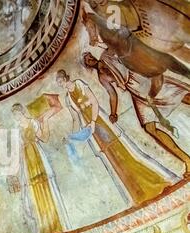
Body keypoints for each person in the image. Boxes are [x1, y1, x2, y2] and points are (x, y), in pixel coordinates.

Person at [56, 69, 170, 205]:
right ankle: (136, 193)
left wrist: (93, 122)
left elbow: (94, 102)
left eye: (61, 81)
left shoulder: (79, 84)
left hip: (99, 120)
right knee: (111, 158)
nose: (61, 85)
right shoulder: (67, 98)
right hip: (90, 129)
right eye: (58, 83)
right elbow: (75, 119)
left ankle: (152, 182)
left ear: (66, 77)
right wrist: (72, 136)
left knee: (121, 151)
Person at [82, 52, 190, 178]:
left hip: (142, 79)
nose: (91, 59)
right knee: (149, 128)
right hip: (135, 92)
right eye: (88, 60)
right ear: (88, 66)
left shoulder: (107, 55)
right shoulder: (102, 77)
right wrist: (113, 112)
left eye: (90, 56)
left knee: (180, 94)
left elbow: (120, 45)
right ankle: (187, 160)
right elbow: (112, 94)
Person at [12, 103, 66, 233]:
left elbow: (44, 137)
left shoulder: (33, 122)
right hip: (27, 160)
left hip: (37, 155)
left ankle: (56, 225)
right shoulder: (18, 129)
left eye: (17, 114)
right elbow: (18, 151)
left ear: (22, 112)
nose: (17, 117)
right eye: (14, 115)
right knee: (34, 192)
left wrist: (45, 121)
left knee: (45, 186)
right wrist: (17, 173)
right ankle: (44, 227)